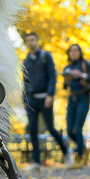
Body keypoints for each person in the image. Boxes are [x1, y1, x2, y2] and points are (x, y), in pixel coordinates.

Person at [22, 32, 69, 167]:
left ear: (36, 41)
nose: (31, 42)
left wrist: (50, 95)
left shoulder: (45, 57)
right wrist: (24, 99)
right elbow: (25, 81)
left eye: (32, 39)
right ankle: (36, 161)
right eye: (28, 40)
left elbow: (52, 77)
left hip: (45, 98)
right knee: (32, 129)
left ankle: (66, 151)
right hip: (31, 100)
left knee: (50, 128)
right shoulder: (26, 61)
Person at [62, 44, 90, 165]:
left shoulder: (85, 64)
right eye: (71, 51)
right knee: (69, 131)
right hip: (71, 98)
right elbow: (64, 86)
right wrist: (67, 79)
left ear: (79, 52)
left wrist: (81, 75)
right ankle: (82, 146)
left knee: (77, 128)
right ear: (68, 53)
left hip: (83, 97)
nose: (73, 53)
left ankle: (79, 157)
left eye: (76, 50)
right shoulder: (68, 67)